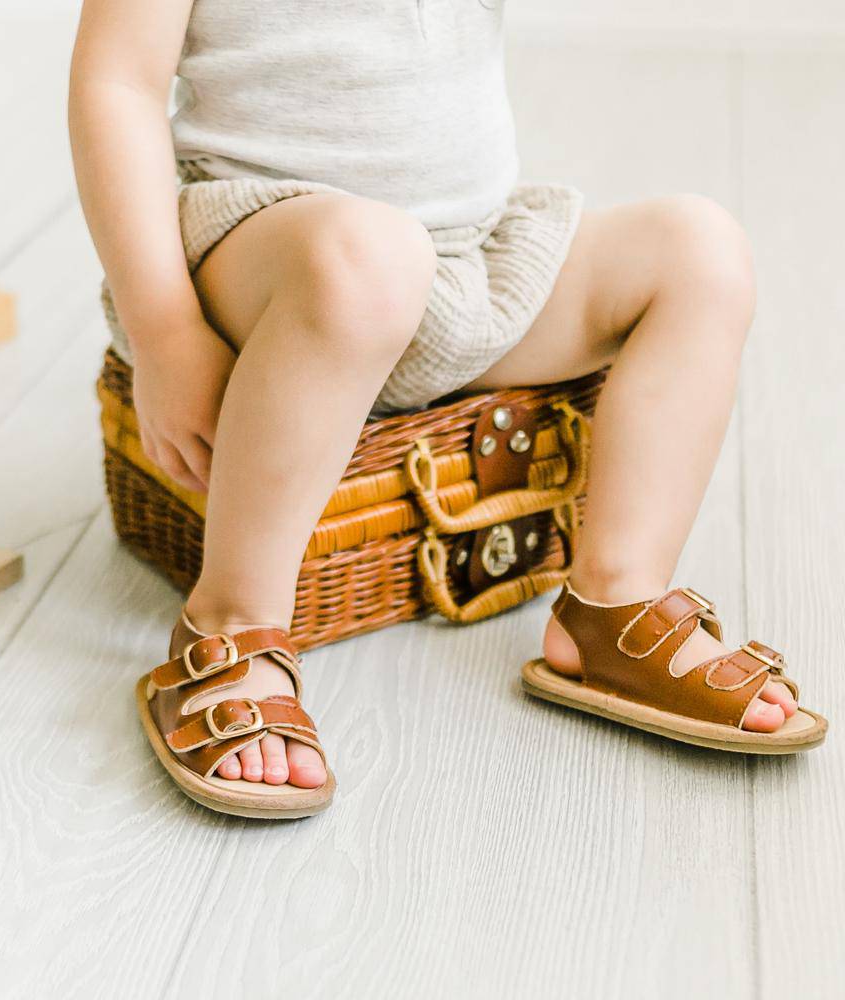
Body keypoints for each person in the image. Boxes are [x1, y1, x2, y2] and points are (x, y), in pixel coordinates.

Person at [68, 0, 825, 819]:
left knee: (700, 251)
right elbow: (117, 84)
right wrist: (166, 331)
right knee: (372, 258)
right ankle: (230, 619)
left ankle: (612, 602)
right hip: (266, 258)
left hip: (465, 260)